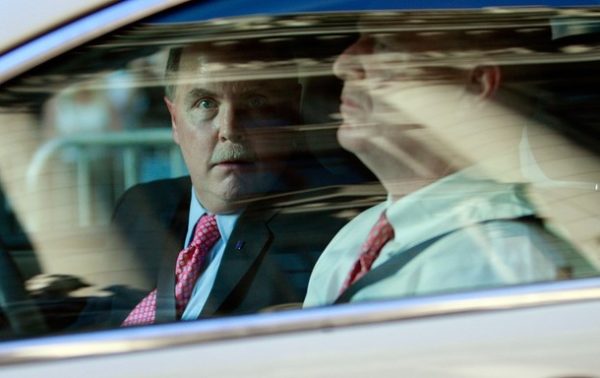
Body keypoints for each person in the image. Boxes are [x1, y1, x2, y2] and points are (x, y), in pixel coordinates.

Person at [303, 23, 595, 307]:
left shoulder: (503, 258)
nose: (343, 64)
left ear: (476, 85)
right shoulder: (360, 232)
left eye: (385, 43)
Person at [109, 40, 347, 325]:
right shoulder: (141, 207)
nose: (230, 130)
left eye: (255, 101)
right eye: (205, 103)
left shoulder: (330, 233)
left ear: (291, 112)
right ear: (174, 120)